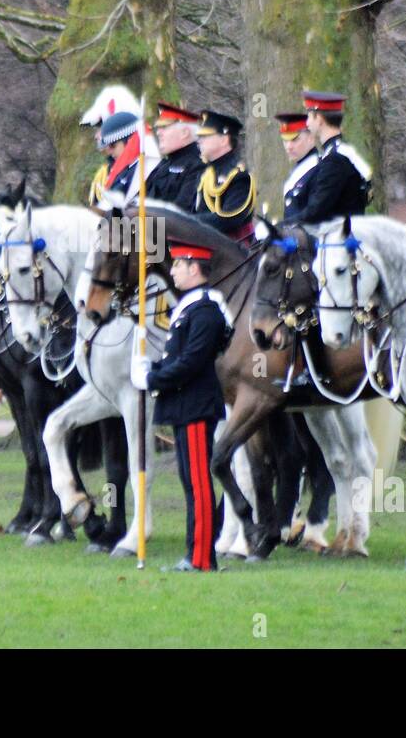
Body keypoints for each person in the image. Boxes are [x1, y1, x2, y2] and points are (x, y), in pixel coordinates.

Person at [130, 238, 233, 572]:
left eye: (177, 264)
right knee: (191, 482)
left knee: (199, 484)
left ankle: (202, 557)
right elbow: (178, 358)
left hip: (195, 406)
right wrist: (152, 369)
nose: (172, 270)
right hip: (183, 406)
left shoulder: (205, 311)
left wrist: (154, 379)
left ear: (194, 268)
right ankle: (195, 553)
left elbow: (191, 362)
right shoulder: (190, 306)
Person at [295, 91, 371, 222]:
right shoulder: (342, 150)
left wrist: (283, 225)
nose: (306, 123)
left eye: (309, 117)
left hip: (340, 237)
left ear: (319, 119)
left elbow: (317, 209)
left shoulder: (334, 159)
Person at [194, 110, 256, 245]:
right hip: (206, 244)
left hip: (232, 252)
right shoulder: (206, 173)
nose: (199, 141)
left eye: (205, 136)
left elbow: (229, 219)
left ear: (224, 139)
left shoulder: (239, 175)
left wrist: (189, 222)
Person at [144, 103, 206, 211]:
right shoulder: (163, 165)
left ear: (184, 133)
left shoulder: (198, 166)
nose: (158, 133)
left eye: (164, 127)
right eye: (158, 128)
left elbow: (180, 212)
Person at [98, 111, 143, 200]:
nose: (109, 152)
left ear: (130, 140)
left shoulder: (147, 170)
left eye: (112, 145)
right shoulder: (118, 170)